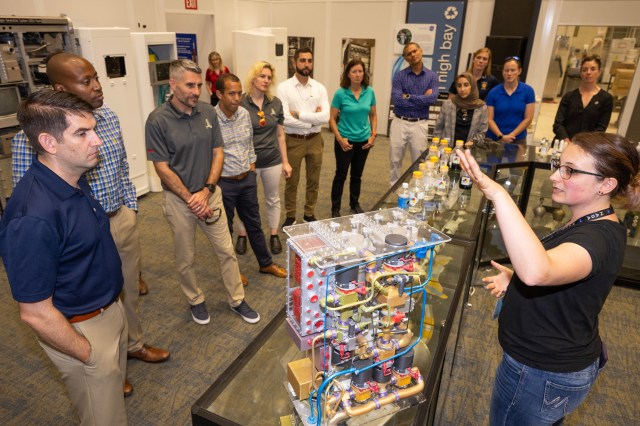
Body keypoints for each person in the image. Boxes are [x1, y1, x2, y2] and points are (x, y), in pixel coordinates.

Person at [11, 52, 169, 397]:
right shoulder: (34, 141)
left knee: (121, 291)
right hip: (72, 233)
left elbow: (121, 165)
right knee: (85, 304)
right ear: (60, 88)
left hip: (115, 219)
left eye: (96, 77)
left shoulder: (107, 117)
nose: (97, 86)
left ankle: (130, 347)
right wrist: (89, 356)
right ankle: (108, 370)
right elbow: (35, 193)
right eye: (86, 81)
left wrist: (130, 207)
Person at [457, 132, 640, 425]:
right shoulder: (590, 219)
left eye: (570, 171)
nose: (555, 176)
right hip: (548, 364)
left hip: (540, 372)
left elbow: (538, 271)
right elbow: (555, 272)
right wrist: (516, 279)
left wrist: (498, 194)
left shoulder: (598, 238)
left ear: (606, 184)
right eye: (559, 165)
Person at [0, 90, 128, 425]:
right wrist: (89, 355)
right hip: (81, 332)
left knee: (113, 402)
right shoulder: (32, 217)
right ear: (49, 142)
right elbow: (35, 314)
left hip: (109, 310)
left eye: (94, 129)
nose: (98, 141)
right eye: (82, 133)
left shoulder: (72, 176)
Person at [145, 59, 259, 325]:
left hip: (210, 194)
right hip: (179, 201)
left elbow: (218, 152)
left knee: (226, 250)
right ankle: (195, 299)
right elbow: (161, 168)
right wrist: (190, 199)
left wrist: (207, 191)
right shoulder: (157, 120)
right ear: (173, 84)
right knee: (186, 258)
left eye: (198, 85)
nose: (196, 91)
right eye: (189, 85)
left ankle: (237, 299)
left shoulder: (208, 113)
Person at [213, 73, 287, 278]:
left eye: (239, 93)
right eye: (231, 94)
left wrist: (251, 165)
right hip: (224, 183)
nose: (237, 98)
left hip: (246, 178)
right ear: (219, 94)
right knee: (225, 229)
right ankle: (232, 272)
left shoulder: (245, 114)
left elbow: (248, 144)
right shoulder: (211, 119)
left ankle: (266, 263)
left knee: (254, 223)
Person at [236, 61, 292, 255]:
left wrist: (285, 161)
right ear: (253, 77)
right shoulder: (240, 103)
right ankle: (242, 235)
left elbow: (280, 135)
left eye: (269, 77)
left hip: (272, 161)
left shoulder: (275, 103)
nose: (266, 80)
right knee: (245, 201)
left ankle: (274, 234)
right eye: (262, 76)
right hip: (247, 163)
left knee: (272, 199)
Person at [277, 47, 329, 227]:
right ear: (294, 63)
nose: (306, 64)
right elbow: (284, 118)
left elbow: (326, 117)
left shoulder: (319, 88)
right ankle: (290, 215)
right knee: (292, 181)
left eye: (309, 60)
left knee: (313, 180)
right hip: (293, 141)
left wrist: (300, 115)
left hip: (315, 140)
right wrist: (313, 120)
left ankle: (309, 213)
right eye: (302, 60)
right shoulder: (283, 88)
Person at [328, 58, 377, 218]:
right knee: (340, 175)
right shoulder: (340, 93)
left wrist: (373, 135)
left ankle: (354, 204)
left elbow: (373, 115)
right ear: (348, 74)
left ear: (364, 73)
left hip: (363, 141)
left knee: (357, 175)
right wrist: (340, 139)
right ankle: (335, 208)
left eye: (360, 71)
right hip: (345, 141)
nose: (357, 75)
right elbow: (332, 119)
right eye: (354, 71)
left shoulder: (369, 91)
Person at [389, 42, 439, 186]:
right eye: (408, 54)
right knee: (395, 159)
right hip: (400, 122)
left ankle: (417, 188)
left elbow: (432, 99)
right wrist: (421, 98)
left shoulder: (432, 76)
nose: (413, 55)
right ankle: (394, 188)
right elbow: (397, 100)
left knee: (419, 160)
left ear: (421, 51)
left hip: (420, 123)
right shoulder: (400, 76)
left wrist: (409, 96)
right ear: (405, 58)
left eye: (414, 51)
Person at [553, 55, 613, 143]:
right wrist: (567, 141)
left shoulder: (606, 98)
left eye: (593, 69)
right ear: (581, 73)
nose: (588, 72)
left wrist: (584, 145)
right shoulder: (569, 96)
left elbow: (601, 128)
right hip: (564, 143)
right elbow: (558, 124)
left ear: (599, 72)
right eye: (584, 70)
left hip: (588, 146)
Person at [485, 57, 535, 162]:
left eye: (513, 70)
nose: (509, 73)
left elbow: (528, 118)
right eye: (506, 70)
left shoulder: (528, 91)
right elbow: (489, 119)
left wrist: (512, 135)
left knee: (516, 172)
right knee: (491, 170)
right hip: (495, 138)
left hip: (518, 138)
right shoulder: (493, 92)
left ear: (519, 71)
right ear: (502, 72)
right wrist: (501, 136)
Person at [434, 72, 488, 147]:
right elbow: (438, 129)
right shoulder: (448, 104)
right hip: (447, 151)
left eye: (466, 85)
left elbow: (482, 132)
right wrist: (436, 147)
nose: (462, 89)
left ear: (472, 86)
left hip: (469, 152)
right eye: (459, 86)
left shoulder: (481, 107)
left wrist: (474, 142)